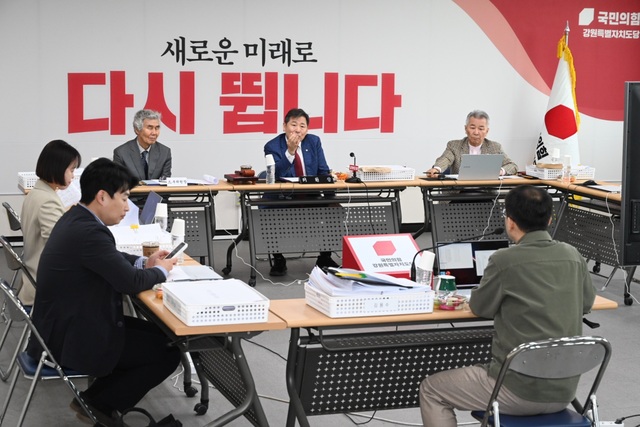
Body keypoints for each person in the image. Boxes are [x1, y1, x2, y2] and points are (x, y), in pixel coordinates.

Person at [419, 185, 596, 427]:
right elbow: (586, 303)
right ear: (550, 219)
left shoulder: (504, 259)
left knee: (431, 389)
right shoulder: (573, 255)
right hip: (564, 391)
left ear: (510, 222)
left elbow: (480, 308)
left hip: (516, 390)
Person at [26, 158, 180, 426]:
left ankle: (94, 400)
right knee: (168, 352)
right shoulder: (90, 232)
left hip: (64, 324)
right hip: (74, 337)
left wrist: (144, 262)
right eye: (124, 198)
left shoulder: (76, 218)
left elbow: (110, 257)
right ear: (102, 197)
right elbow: (130, 283)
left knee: (162, 334)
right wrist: (162, 270)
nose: (127, 207)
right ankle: (101, 405)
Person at [263, 108, 338, 276]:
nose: (298, 130)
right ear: (284, 126)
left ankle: (325, 258)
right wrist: (290, 151)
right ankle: (278, 259)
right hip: (283, 197)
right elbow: (275, 174)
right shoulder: (272, 146)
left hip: (310, 195)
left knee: (334, 209)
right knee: (268, 212)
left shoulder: (313, 141)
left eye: (302, 126)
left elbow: (322, 170)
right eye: (294, 125)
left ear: (307, 129)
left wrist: (330, 194)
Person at [19, 139, 81, 306]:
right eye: (71, 170)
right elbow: (60, 247)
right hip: (47, 285)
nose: (73, 176)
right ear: (58, 168)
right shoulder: (47, 201)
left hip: (35, 275)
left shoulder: (37, 193)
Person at [426, 110, 518, 177]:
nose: (476, 132)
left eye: (481, 129)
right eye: (472, 128)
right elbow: (445, 159)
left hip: (486, 192)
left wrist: (500, 171)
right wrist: (437, 169)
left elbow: (512, 166)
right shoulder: (454, 145)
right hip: (458, 192)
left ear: (487, 131)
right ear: (466, 129)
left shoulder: (495, 147)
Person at [113, 109, 172, 181]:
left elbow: (165, 181)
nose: (154, 133)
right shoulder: (121, 153)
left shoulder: (165, 152)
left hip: (156, 189)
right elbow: (119, 182)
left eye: (157, 128)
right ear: (137, 130)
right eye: (150, 128)